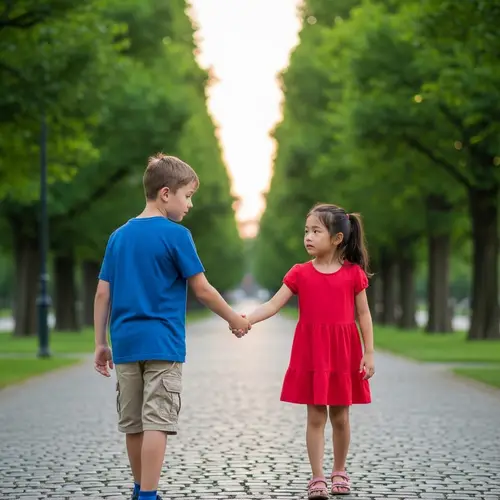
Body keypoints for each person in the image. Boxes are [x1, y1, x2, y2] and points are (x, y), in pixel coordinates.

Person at [93, 153, 251, 500]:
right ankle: (149, 495)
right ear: (166, 193)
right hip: (163, 344)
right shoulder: (177, 235)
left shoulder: (118, 237)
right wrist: (234, 318)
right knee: (157, 421)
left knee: (132, 422)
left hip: (126, 343)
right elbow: (203, 289)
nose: (190, 204)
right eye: (188, 195)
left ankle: (139, 488)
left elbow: (103, 292)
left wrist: (100, 343)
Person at [239, 203, 374, 498]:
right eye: (306, 231)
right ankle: (318, 477)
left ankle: (339, 470)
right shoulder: (300, 273)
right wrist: (246, 319)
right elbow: (273, 304)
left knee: (341, 416)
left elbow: (363, 315)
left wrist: (369, 352)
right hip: (312, 352)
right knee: (315, 417)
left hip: (342, 352)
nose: (308, 237)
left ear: (337, 238)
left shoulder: (353, 274)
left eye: (316, 231)